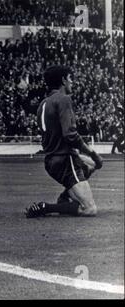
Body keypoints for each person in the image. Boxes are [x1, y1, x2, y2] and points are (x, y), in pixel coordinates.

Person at [25, 65, 103, 218]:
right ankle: (47, 207)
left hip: (51, 160)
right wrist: (93, 153)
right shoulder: (63, 99)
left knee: (91, 165)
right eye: (70, 78)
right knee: (89, 209)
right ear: (63, 80)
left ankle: (65, 196)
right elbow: (70, 135)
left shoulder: (43, 104)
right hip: (65, 160)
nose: (72, 82)